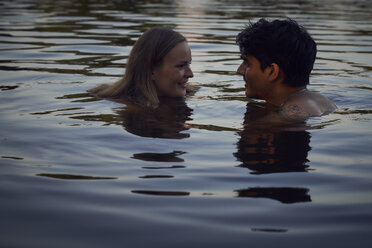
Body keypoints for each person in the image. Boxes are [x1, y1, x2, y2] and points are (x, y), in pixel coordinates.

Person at [236, 18, 337, 119]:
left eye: (248, 64)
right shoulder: (323, 101)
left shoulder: (287, 118)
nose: (239, 71)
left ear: (272, 72)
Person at [89, 27, 194, 108]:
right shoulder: (131, 109)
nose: (191, 74)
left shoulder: (191, 93)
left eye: (189, 64)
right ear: (151, 71)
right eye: (181, 66)